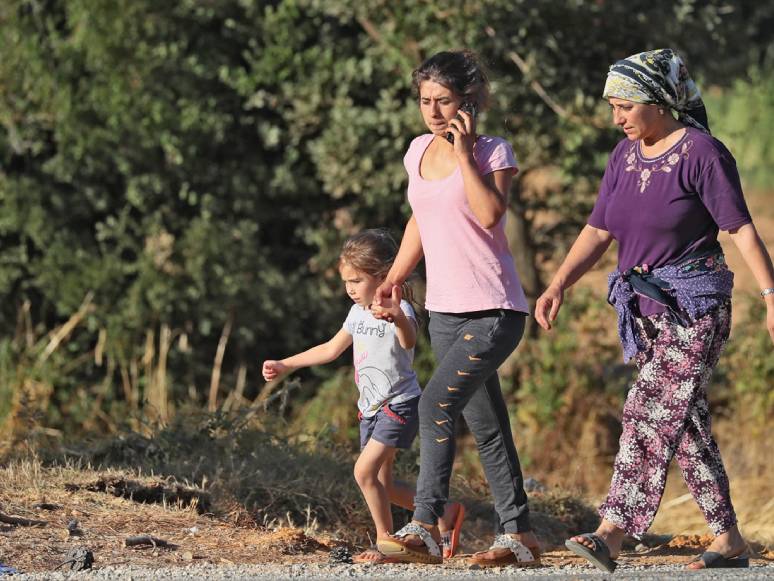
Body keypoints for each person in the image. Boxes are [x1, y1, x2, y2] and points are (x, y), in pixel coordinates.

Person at [535, 48, 774, 573]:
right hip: (642, 311)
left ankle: (611, 531)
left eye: (624, 106)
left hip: (694, 306)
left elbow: (740, 230)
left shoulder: (703, 154)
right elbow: (598, 230)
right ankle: (729, 539)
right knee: (683, 425)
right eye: (612, 108)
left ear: (658, 101)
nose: (616, 118)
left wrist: (771, 295)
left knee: (648, 411)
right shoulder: (622, 158)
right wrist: (558, 283)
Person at [372, 50, 540, 567]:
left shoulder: (493, 151)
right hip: (443, 311)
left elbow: (491, 215)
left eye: (444, 101)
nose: (434, 111)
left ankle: (425, 526)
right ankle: (521, 536)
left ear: (469, 102)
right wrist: (394, 278)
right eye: (426, 101)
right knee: (487, 426)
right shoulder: (417, 151)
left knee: (433, 405)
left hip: (494, 310)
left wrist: (465, 153)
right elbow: (419, 220)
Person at [261, 229, 465, 563]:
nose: (350, 289)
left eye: (356, 280)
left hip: (399, 405)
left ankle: (386, 542)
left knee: (363, 473)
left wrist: (397, 316)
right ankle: (447, 513)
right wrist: (286, 364)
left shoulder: (398, 308)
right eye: (345, 282)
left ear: (382, 276)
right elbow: (330, 349)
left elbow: (410, 340)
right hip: (369, 410)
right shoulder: (356, 314)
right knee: (385, 486)